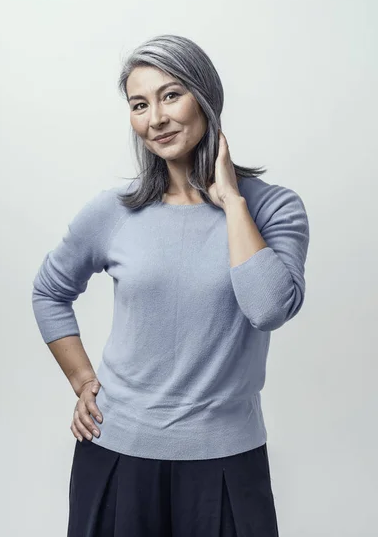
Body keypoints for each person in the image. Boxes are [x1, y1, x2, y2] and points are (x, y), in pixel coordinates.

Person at [31, 34, 310, 536]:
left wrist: (231, 201)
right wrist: (82, 381)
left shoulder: (273, 208)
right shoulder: (114, 211)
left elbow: (268, 308)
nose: (155, 118)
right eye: (140, 105)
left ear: (206, 97)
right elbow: (49, 291)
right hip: (116, 454)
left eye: (170, 95)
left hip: (228, 460)